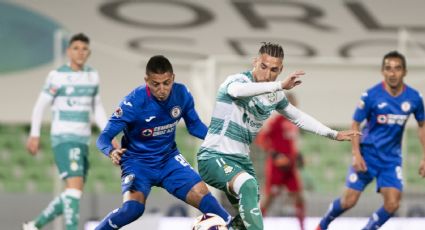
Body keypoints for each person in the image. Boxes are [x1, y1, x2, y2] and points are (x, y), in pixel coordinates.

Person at [197, 42, 360, 230]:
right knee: (249, 185)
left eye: (274, 70)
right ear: (255, 62)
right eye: (263, 66)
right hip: (214, 157)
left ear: (280, 69)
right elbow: (237, 92)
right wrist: (280, 85)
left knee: (243, 222)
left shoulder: (274, 96)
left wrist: (333, 133)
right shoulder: (236, 81)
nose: (267, 74)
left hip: (241, 162)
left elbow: (297, 116)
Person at [95, 55, 231, 229]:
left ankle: (232, 226)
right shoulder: (132, 103)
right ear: (146, 81)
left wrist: (218, 140)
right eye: (155, 84)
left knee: (203, 195)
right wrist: (111, 151)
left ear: (173, 78)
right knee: (132, 210)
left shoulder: (182, 94)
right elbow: (103, 138)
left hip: (168, 160)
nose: (162, 89)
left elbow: (195, 126)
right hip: (137, 163)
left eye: (166, 83)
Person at [316, 51, 425, 230]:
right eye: (388, 68)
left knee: (393, 204)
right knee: (348, 201)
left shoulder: (414, 98)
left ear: (404, 72)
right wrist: (356, 154)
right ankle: (322, 225)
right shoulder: (371, 95)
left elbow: (422, 125)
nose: (392, 73)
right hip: (367, 155)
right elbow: (355, 123)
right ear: (383, 71)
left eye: (397, 68)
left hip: (391, 160)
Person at [23, 33, 117, 230]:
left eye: (84, 49)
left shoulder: (92, 76)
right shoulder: (57, 76)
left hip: (82, 140)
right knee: (74, 188)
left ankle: (34, 225)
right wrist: (34, 134)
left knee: (73, 192)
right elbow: (40, 106)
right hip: (64, 138)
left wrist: (109, 134)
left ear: (89, 52)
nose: (80, 52)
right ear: (68, 52)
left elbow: (97, 108)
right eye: (76, 48)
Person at [255, 93, 306, 230]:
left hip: (290, 167)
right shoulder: (276, 122)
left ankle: (302, 227)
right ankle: (254, 226)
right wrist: (275, 154)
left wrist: (298, 155)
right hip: (276, 167)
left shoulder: (295, 122)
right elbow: (261, 139)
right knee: (269, 198)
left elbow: (290, 143)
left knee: (299, 197)